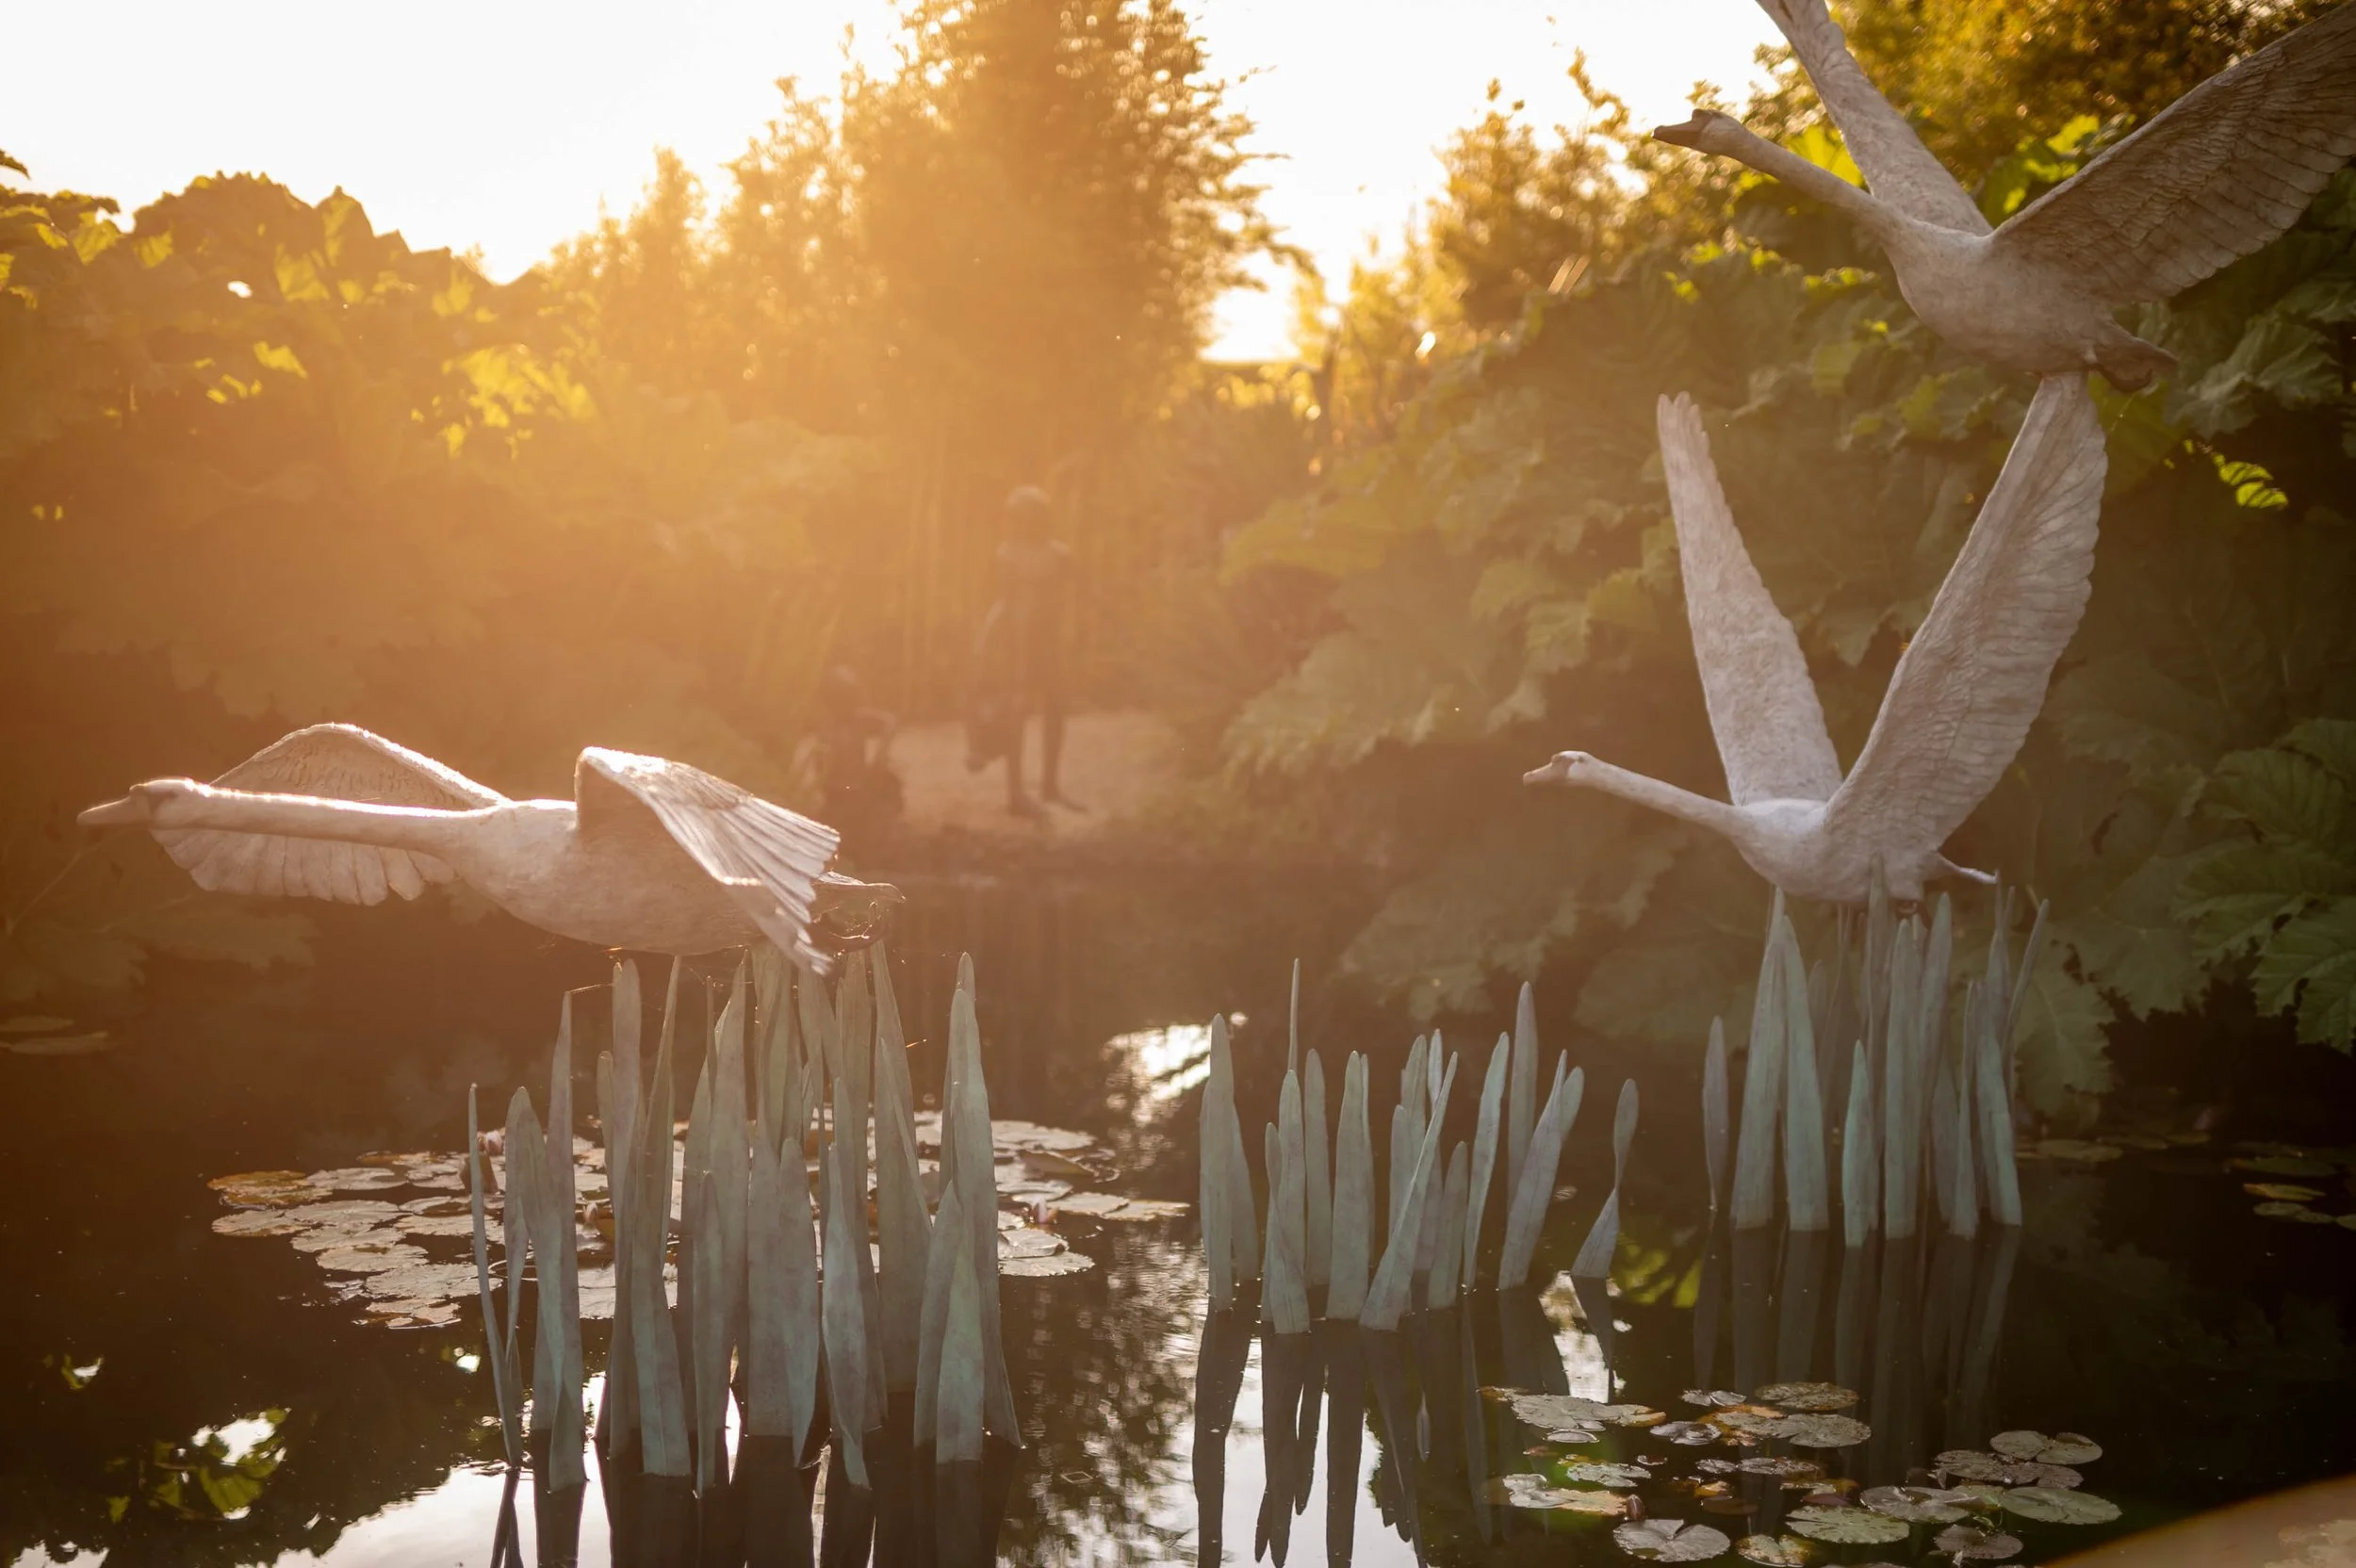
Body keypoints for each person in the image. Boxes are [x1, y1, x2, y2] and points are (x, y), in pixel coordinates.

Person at [966, 484, 1081, 820]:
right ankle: (1016, 792)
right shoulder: (1007, 554)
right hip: (1016, 643)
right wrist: (988, 640)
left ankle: (1050, 784)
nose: (1019, 524)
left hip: (1048, 640)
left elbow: (1071, 597)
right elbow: (1003, 601)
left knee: (1056, 707)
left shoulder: (1060, 555)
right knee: (1016, 712)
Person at [808, 663, 901, 849]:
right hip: (835, 793)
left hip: (858, 791)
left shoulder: (859, 720)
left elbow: (891, 723)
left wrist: (880, 756)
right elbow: (820, 766)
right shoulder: (827, 727)